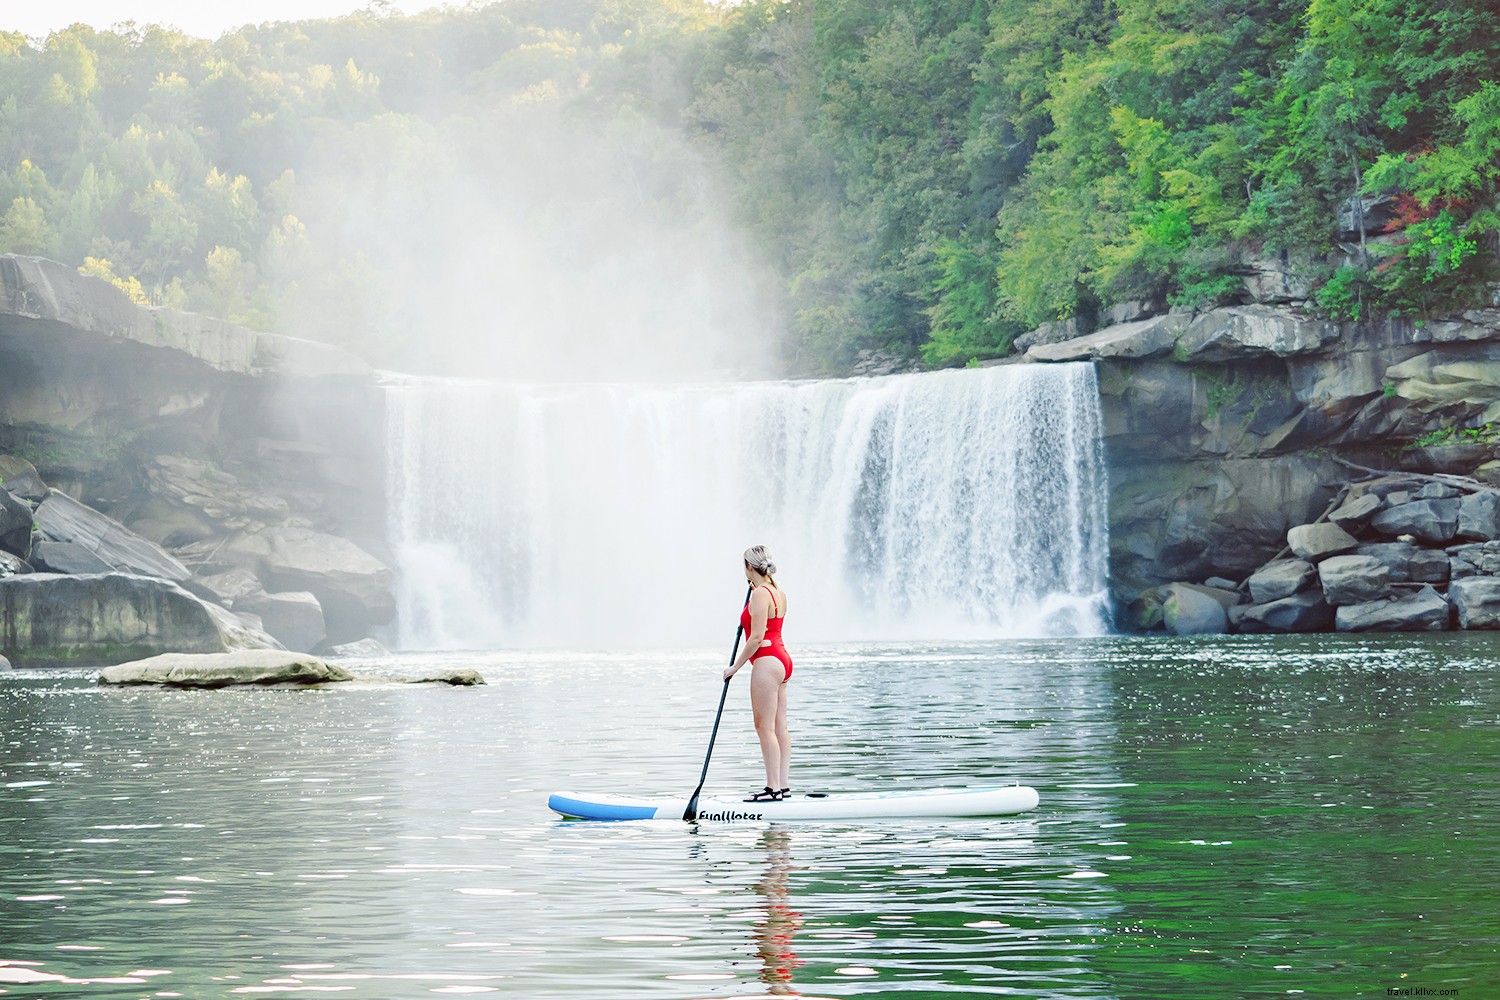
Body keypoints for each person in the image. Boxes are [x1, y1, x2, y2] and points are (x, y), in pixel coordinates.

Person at [725, 544, 793, 803]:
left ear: (749, 567)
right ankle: (783, 787)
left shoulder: (759, 595)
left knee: (763, 727)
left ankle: (772, 789)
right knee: (780, 727)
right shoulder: (777, 592)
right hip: (783, 659)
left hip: (766, 660)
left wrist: (735, 667)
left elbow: (755, 638)